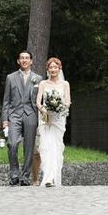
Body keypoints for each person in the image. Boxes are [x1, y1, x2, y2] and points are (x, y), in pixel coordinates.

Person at [1, 50, 43, 186]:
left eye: (27, 58)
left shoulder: (38, 78)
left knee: (29, 147)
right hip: (14, 114)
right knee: (12, 144)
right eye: (22, 58)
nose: (24, 60)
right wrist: (5, 119)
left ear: (31, 61)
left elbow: (41, 100)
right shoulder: (10, 77)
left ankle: (25, 177)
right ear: (18, 61)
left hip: (31, 114)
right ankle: (14, 173)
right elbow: (6, 100)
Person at [36, 57, 71, 187]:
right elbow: (38, 102)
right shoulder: (43, 84)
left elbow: (67, 102)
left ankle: (52, 177)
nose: (53, 69)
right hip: (45, 119)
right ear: (48, 69)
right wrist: (44, 110)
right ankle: (48, 177)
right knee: (45, 146)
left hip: (58, 120)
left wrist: (59, 109)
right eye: (50, 67)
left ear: (59, 68)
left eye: (55, 67)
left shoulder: (65, 84)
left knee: (56, 147)